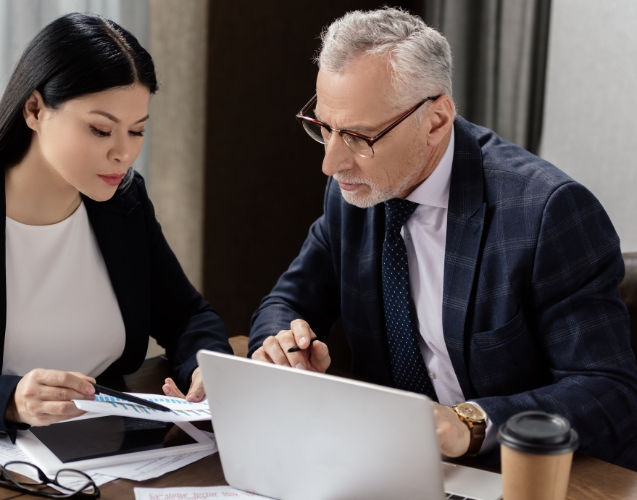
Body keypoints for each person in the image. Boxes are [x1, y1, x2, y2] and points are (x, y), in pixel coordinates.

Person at [249, 8, 637, 469]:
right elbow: (287, 302)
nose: (331, 164)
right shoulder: (355, 192)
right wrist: (282, 344)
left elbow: (609, 392)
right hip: (395, 465)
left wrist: (469, 424)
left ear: (435, 121)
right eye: (324, 128)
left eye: (356, 136)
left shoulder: (546, 213)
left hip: (523, 474)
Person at [0, 13, 232, 436]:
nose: (123, 154)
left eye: (137, 131)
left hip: (96, 447)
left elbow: (186, 316)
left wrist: (206, 369)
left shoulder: (123, 203)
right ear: (35, 109)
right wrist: (10, 400)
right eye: (100, 130)